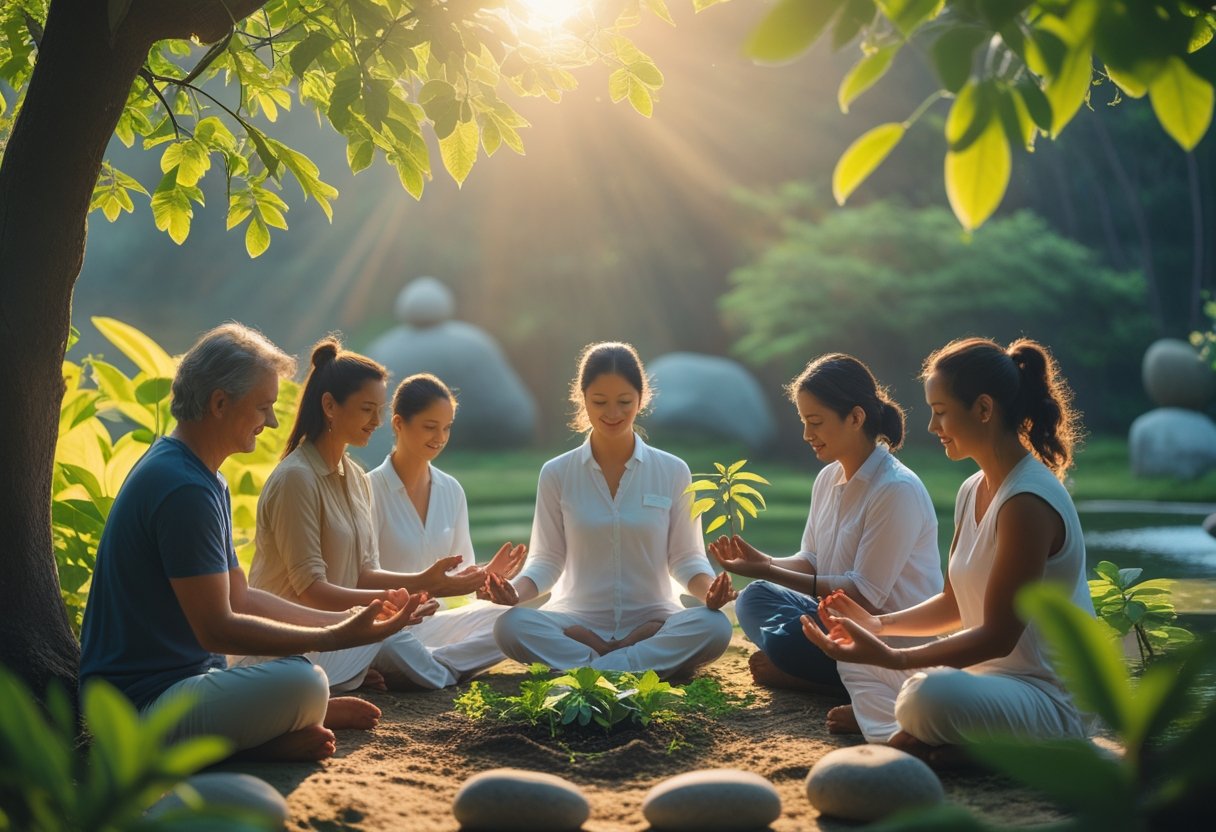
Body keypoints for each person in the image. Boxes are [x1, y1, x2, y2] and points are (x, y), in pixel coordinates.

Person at [79, 324, 425, 763]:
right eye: (264, 407)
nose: (273, 421)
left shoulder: (203, 477)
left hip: (185, 688)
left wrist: (346, 620)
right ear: (220, 404)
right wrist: (334, 635)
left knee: (304, 679)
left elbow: (240, 596)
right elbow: (216, 628)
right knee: (304, 681)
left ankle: (277, 724)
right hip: (135, 711)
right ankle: (267, 737)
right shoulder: (182, 486)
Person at [802, 337, 1094, 763]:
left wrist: (894, 656)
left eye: (940, 412)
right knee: (874, 668)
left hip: (1050, 697)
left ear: (983, 409)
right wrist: (876, 625)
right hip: (990, 682)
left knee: (926, 694)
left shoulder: (1027, 502)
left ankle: (945, 741)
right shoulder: (972, 488)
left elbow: (998, 636)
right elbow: (952, 604)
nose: (931, 427)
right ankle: (940, 740)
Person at [247, 338, 511, 691]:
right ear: (330, 406)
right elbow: (312, 591)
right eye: (367, 409)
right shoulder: (297, 478)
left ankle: (411, 665)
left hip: (349, 631)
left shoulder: (355, 477)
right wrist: (396, 602)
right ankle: (437, 671)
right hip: (299, 646)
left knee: (502, 621)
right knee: (396, 639)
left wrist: (420, 583)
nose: (377, 421)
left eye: (379, 410)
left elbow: (364, 573)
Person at [711, 354, 942, 730]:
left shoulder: (896, 489)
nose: (806, 434)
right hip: (837, 622)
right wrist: (763, 563)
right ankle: (817, 670)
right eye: (804, 421)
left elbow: (864, 597)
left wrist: (768, 568)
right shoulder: (828, 479)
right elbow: (811, 560)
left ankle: (820, 678)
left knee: (786, 642)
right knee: (754, 597)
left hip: (885, 638)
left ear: (855, 417)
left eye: (815, 422)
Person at [491, 342, 735, 680]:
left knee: (715, 626)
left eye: (624, 402)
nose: (612, 413)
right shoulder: (557, 473)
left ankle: (592, 669)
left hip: (654, 618)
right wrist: (515, 593)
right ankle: (629, 664)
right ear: (582, 398)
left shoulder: (673, 471)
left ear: (641, 399)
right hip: (576, 620)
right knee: (509, 626)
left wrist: (709, 591)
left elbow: (685, 558)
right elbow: (547, 559)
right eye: (599, 402)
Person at [368, 373, 526, 684]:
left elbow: (459, 580)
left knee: (515, 620)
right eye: (430, 426)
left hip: (438, 625)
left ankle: (433, 669)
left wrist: (484, 578)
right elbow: (360, 577)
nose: (440, 437)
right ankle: (440, 668)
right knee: (396, 646)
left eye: (447, 427)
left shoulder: (451, 490)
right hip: (389, 627)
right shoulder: (368, 490)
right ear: (398, 424)